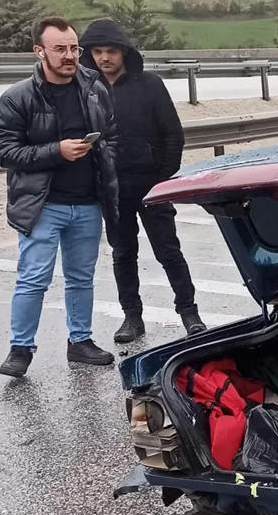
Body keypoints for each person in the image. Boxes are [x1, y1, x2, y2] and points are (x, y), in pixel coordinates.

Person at [0, 17, 119, 377]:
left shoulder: (94, 87)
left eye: (74, 48)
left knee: (82, 277)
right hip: (42, 205)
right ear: (39, 51)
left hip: (88, 202)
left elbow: (110, 134)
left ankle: (81, 341)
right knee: (33, 279)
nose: (70, 56)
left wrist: (108, 171)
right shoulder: (18, 97)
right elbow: (6, 153)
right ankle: (20, 349)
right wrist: (55, 152)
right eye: (60, 49)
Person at [78, 19, 204, 341]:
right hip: (111, 189)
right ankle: (132, 318)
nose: (105, 58)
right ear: (90, 54)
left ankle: (190, 314)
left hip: (151, 186)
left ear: (124, 52)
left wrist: (162, 177)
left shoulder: (150, 84)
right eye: (98, 52)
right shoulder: (84, 90)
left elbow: (172, 134)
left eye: (111, 51)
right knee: (122, 253)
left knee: (169, 251)